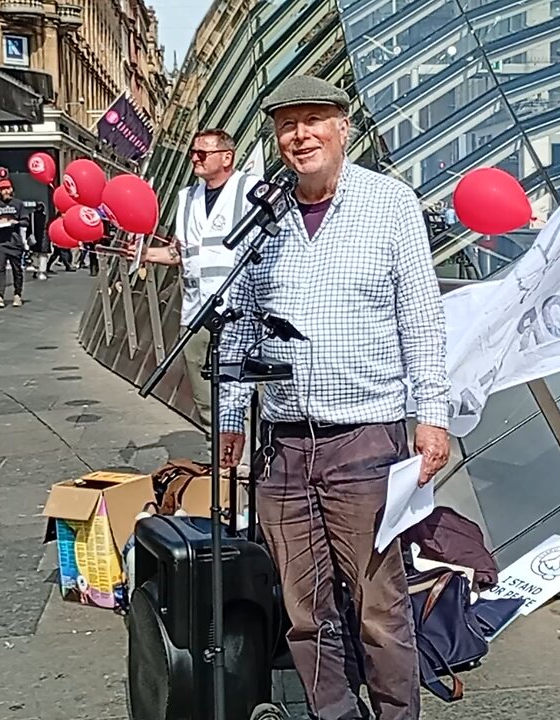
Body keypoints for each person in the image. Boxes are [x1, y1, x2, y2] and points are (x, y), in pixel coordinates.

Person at [215, 76, 452, 720]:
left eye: (315, 119)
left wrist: (432, 414)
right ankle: (335, 715)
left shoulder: (390, 203)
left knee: (379, 604)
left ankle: (398, 715)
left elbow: (422, 318)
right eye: (288, 125)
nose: (301, 135)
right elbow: (240, 320)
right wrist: (233, 416)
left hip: (366, 438)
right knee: (304, 610)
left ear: (342, 127)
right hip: (285, 444)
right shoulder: (261, 219)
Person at [135, 128, 260, 432]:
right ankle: (217, 458)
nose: (194, 158)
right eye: (193, 152)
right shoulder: (187, 198)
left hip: (237, 314)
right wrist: (146, 254)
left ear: (226, 157)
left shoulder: (250, 189)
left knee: (240, 394)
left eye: (202, 153)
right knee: (205, 398)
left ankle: (245, 464)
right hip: (195, 314)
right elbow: (183, 253)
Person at [0, 178, 29, 308]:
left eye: (7, 189)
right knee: (0, 268)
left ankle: (17, 294)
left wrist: (15, 222)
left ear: (11, 190)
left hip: (15, 242)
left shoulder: (18, 204)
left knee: (17, 270)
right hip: (0, 243)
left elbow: (25, 221)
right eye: (2, 189)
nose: (5, 191)